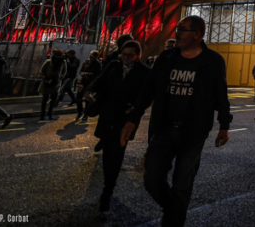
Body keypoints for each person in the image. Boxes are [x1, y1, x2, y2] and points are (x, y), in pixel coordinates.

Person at [120, 15, 231, 227]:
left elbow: (220, 95)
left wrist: (224, 126)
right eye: (177, 29)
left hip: (193, 133)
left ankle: (173, 221)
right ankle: (174, 211)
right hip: (163, 129)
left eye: (183, 29)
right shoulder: (167, 58)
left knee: (182, 185)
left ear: (197, 35)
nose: (177, 33)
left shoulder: (213, 61)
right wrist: (132, 119)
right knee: (151, 179)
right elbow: (148, 91)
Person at [87, 40, 150, 212]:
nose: (126, 58)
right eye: (123, 54)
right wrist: (88, 90)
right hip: (108, 116)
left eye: (130, 55)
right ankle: (108, 183)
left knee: (117, 154)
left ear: (137, 55)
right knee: (108, 154)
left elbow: (145, 96)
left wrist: (135, 108)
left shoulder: (144, 72)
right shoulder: (114, 65)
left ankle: (107, 192)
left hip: (125, 120)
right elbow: (100, 81)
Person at [38, 49, 66, 121]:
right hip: (47, 82)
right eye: (57, 55)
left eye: (60, 56)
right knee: (45, 100)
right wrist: (45, 77)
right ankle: (42, 115)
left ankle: (50, 113)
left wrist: (60, 77)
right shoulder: (49, 62)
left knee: (53, 100)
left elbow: (64, 71)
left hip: (56, 83)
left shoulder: (63, 62)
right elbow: (42, 71)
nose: (58, 57)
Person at [76, 50, 102, 122]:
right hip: (83, 82)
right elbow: (81, 70)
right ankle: (79, 112)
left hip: (90, 84)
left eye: (92, 55)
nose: (90, 56)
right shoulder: (86, 62)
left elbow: (98, 74)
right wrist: (82, 73)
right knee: (78, 98)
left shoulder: (97, 64)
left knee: (87, 99)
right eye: (90, 54)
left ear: (96, 56)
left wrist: (88, 74)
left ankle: (85, 114)